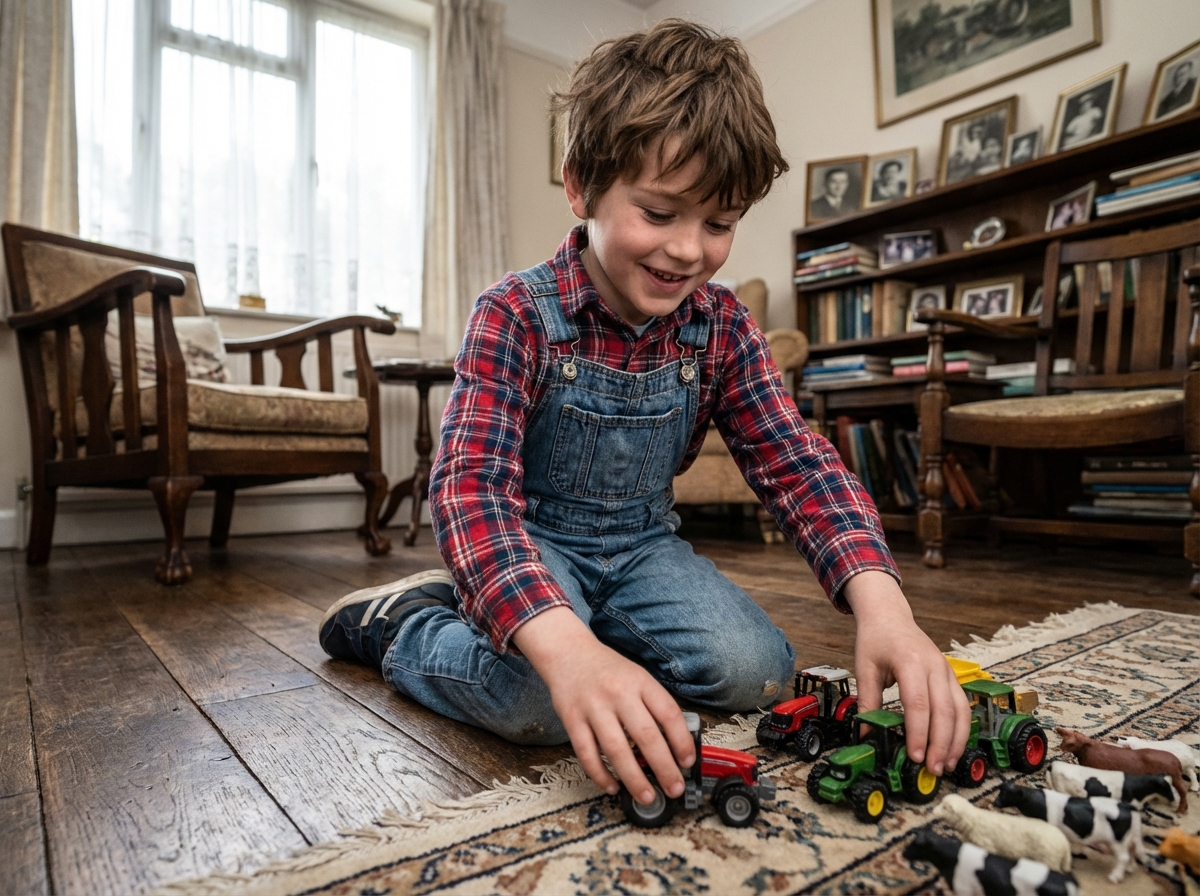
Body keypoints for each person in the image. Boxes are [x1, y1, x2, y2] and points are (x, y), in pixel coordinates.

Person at [319, 19, 970, 812]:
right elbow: (470, 492)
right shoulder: (517, 314)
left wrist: (886, 609)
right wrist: (566, 653)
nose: (690, 251)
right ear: (581, 186)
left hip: (640, 547)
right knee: (537, 702)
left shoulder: (722, 327)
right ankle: (402, 627)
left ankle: (578, 632)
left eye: (720, 223)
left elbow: (797, 465)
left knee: (758, 672)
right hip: (529, 540)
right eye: (660, 214)